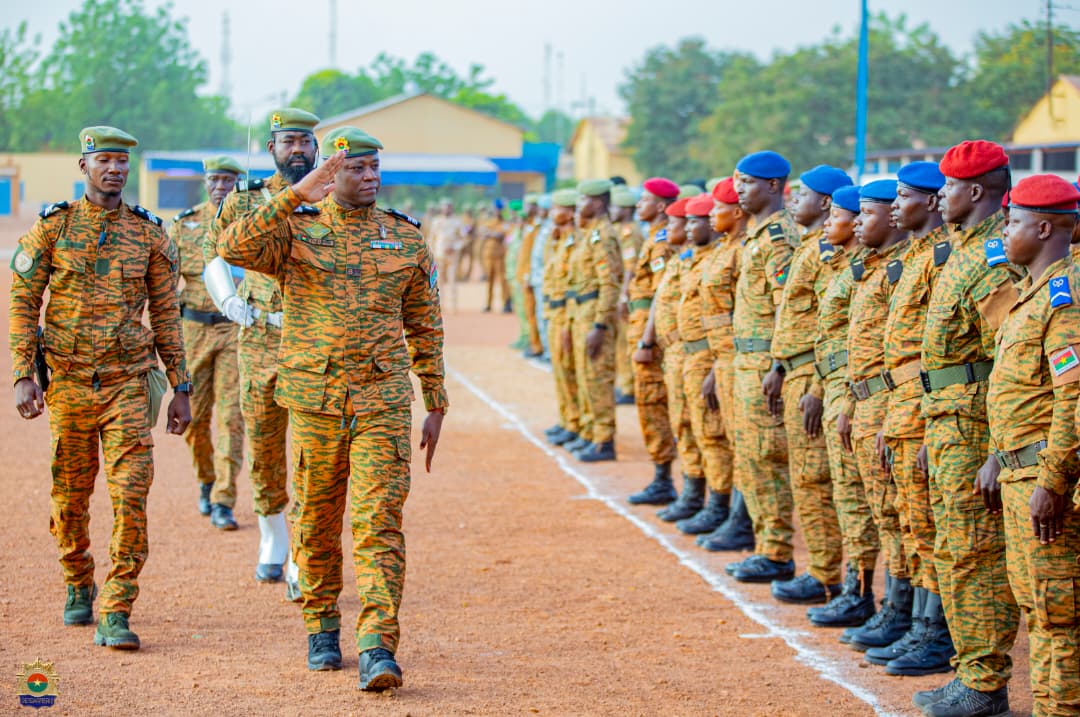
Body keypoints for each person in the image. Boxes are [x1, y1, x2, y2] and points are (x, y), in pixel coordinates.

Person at [218, 127, 446, 691]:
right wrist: (295, 195)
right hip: (316, 402)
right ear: (331, 173)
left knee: (378, 521)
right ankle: (321, 626)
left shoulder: (404, 238)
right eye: (356, 168)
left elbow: (425, 324)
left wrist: (435, 401)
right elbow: (232, 247)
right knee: (316, 522)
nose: (369, 177)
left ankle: (378, 646)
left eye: (374, 167)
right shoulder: (294, 231)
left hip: (381, 402)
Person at [9, 126, 191, 650]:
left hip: (127, 385)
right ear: (83, 165)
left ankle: (117, 606)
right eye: (105, 160)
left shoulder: (149, 235)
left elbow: (166, 315)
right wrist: (23, 374)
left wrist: (180, 385)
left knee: (131, 495)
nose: (115, 169)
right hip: (67, 384)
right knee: (69, 498)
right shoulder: (53, 228)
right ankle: (77, 578)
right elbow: (23, 302)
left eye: (122, 161)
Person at [913, 140, 1020, 717]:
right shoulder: (964, 250)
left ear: (975, 191)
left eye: (949, 187)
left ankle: (984, 682)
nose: (940, 197)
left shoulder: (992, 259)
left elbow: (1014, 357)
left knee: (974, 553)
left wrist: (999, 451)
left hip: (974, 426)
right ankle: (971, 671)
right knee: (955, 549)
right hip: (947, 422)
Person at [205, 107, 319, 590]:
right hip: (259, 339)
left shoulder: (332, 197)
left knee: (314, 450)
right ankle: (273, 534)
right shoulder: (245, 199)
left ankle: (303, 552)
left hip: (314, 342)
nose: (298, 150)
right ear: (271, 148)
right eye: (289, 141)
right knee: (264, 444)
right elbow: (213, 253)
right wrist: (227, 299)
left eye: (306, 141)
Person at [990, 174, 1080, 717]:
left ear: (1044, 228)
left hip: (1044, 480)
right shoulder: (1031, 294)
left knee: (1059, 614)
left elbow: (1073, 399)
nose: (1004, 232)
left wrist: (1052, 482)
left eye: (1014, 222)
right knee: (1038, 609)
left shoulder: (1063, 300)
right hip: (1018, 473)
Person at [868, 161, 955, 675]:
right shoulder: (914, 257)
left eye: (904, 197)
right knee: (910, 519)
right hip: (903, 403)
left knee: (930, 525)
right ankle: (913, 621)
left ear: (931, 201)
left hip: (929, 406)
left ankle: (933, 633)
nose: (896, 206)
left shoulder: (943, 259)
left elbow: (943, 352)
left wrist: (923, 422)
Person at [765, 165, 852, 604]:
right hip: (794, 370)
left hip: (812, 375)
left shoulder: (828, 252)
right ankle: (820, 568)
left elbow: (832, 325)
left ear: (825, 202)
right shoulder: (808, 246)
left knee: (815, 478)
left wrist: (817, 387)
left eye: (802, 194)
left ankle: (826, 575)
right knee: (806, 476)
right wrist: (779, 367)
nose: (793, 200)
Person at [841, 180, 913, 653]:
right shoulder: (873, 268)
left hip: (893, 403)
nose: (856, 223)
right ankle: (895, 607)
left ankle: (904, 613)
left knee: (900, 514)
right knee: (883, 511)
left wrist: (894, 415)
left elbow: (905, 356)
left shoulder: (903, 269)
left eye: (867, 213)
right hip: (866, 400)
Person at [807, 185, 881, 629]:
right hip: (838, 384)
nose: (830, 224)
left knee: (857, 496)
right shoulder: (849, 268)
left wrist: (849, 398)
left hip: (856, 389)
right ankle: (856, 589)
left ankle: (861, 592)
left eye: (837, 217)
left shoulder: (867, 271)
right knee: (846, 493)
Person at [727, 151, 797, 584]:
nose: (739, 190)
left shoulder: (778, 238)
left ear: (773, 186)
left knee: (766, 457)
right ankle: (764, 543)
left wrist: (778, 365)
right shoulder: (755, 234)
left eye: (748, 182)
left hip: (763, 364)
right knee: (750, 455)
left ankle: (777, 551)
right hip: (745, 361)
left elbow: (786, 307)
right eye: (737, 182)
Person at [169, 156, 244, 522]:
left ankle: (223, 499)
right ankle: (206, 479)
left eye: (228, 180)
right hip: (193, 332)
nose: (221, 186)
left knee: (232, 418)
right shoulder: (184, 226)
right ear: (205, 182)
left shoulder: (250, 223)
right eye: (215, 179)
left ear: (237, 183)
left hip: (235, 331)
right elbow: (165, 285)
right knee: (195, 419)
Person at [697, 178, 755, 552]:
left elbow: (743, 312)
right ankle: (730, 513)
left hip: (739, 357)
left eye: (718, 208)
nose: (711, 215)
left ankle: (741, 520)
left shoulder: (744, 250)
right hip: (723, 357)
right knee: (731, 437)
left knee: (743, 443)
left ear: (735, 213)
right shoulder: (725, 247)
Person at [671, 193, 733, 535]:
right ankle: (695, 493)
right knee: (689, 426)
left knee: (712, 434)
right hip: (688, 354)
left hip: (710, 355)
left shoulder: (722, 257)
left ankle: (718, 504)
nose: (692, 227)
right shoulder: (695, 258)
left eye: (698, 220)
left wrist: (716, 364)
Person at [624, 178, 681, 504]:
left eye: (644, 200)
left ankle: (663, 479)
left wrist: (647, 341)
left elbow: (663, 294)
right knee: (650, 403)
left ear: (660, 206)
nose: (638, 205)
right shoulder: (653, 237)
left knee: (653, 404)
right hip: (642, 328)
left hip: (652, 336)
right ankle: (662, 476)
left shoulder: (662, 242)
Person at [563, 179, 622, 462]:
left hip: (594, 315)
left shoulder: (604, 236)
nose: (579, 205)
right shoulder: (590, 234)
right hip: (581, 313)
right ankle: (590, 432)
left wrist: (600, 325)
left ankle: (604, 440)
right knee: (586, 376)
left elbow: (609, 284)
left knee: (598, 378)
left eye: (584, 199)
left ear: (597, 203)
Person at [542, 190, 583, 447]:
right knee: (559, 370)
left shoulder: (577, 241)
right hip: (554, 312)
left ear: (569, 213)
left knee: (570, 370)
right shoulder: (559, 239)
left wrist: (569, 321)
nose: (551, 213)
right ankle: (567, 418)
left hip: (567, 314)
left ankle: (576, 422)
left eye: (556, 208)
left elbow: (573, 284)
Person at [611, 188, 644, 404]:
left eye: (616, 207)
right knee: (619, 341)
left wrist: (623, 296)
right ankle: (623, 383)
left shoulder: (630, 233)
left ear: (625, 209)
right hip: (619, 291)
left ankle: (629, 387)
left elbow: (630, 268)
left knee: (626, 341)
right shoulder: (619, 229)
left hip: (628, 294)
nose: (612, 210)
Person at [479, 205, 511, 313]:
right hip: (489, 255)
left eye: (499, 210)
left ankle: (506, 303)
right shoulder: (490, 222)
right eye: (496, 210)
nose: (497, 212)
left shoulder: (505, 223)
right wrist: (491, 233)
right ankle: (488, 304)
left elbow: (501, 235)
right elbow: (483, 232)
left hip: (500, 256)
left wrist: (490, 233)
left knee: (502, 280)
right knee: (489, 280)